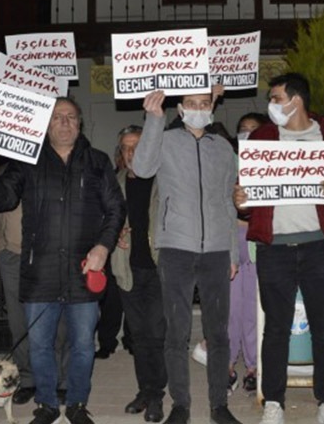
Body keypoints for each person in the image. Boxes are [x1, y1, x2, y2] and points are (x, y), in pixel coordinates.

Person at [0, 97, 126, 424]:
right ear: (46, 125)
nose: (64, 123)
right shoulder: (27, 162)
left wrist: (103, 247)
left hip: (84, 271)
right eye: (57, 118)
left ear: (80, 124)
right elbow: (3, 199)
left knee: (83, 344)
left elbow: (115, 209)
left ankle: (78, 404)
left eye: (71, 117)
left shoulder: (97, 162)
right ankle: (48, 405)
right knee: (40, 346)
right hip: (39, 272)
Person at [234, 73, 324, 424]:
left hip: (320, 247)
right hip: (276, 250)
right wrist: (240, 200)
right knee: (275, 329)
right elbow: (249, 197)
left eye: (275, 98)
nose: (270, 105)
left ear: (295, 100)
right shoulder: (262, 138)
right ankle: (274, 401)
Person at [132, 88, 241, 424]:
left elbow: (227, 201)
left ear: (212, 107)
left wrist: (233, 250)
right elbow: (142, 167)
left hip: (217, 251)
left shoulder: (223, 147)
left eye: (204, 103)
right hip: (176, 249)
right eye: (191, 104)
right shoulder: (165, 140)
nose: (198, 109)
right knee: (176, 333)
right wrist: (153, 120)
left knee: (218, 333)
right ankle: (181, 405)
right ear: (179, 109)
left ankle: (219, 405)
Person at [0, 198, 70, 405]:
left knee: (57, 323)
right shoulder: (7, 176)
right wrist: (1, 247)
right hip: (13, 257)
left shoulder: (54, 171)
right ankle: (26, 380)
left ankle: (61, 381)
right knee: (19, 323)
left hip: (50, 256)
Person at [112, 124, 167, 422]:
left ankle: (157, 394)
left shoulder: (164, 180)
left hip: (160, 269)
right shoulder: (113, 183)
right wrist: (112, 235)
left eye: (138, 145)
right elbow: (101, 221)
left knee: (157, 334)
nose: (132, 152)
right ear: (120, 153)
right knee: (140, 336)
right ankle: (145, 390)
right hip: (127, 270)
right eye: (126, 147)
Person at [228, 113, 269, 393]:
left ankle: (254, 366)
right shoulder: (226, 163)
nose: (248, 134)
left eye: (254, 130)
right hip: (231, 238)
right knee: (230, 308)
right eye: (243, 130)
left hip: (259, 242)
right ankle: (227, 365)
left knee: (254, 309)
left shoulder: (272, 165)